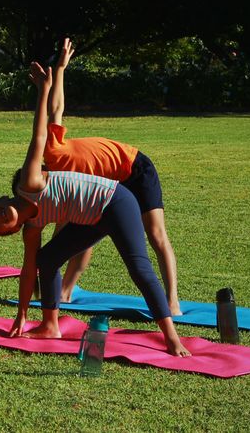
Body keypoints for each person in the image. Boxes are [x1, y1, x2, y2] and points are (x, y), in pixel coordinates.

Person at [0, 61, 190, 357]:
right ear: (10, 231)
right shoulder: (31, 230)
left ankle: (171, 337)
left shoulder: (29, 182)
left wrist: (43, 91)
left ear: (2, 199)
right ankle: (50, 324)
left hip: (116, 202)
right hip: (91, 218)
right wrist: (21, 315)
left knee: (139, 268)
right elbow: (28, 273)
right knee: (46, 258)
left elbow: (39, 136)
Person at [44, 38, 181, 314]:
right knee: (84, 234)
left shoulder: (52, 151)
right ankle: (67, 291)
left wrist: (60, 68)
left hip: (135, 168)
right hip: (110, 187)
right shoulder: (64, 187)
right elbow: (69, 234)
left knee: (155, 234)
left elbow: (55, 108)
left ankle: (173, 300)